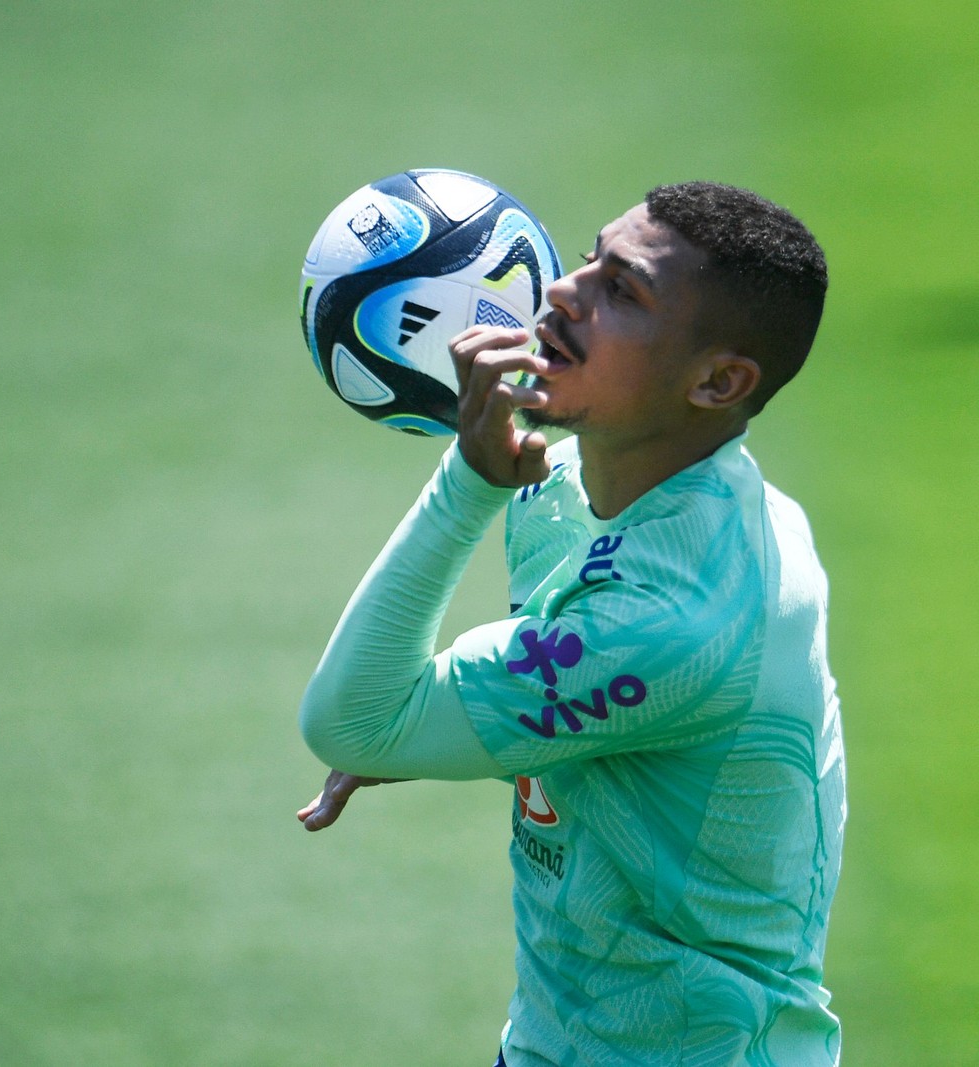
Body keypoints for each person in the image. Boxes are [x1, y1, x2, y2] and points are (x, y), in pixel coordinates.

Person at [295, 182, 844, 1066]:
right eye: (590, 256)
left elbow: (350, 721)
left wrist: (466, 482)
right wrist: (476, 725)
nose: (560, 289)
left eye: (622, 290)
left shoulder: (674, 618)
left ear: (718, 380)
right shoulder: (592, 481)